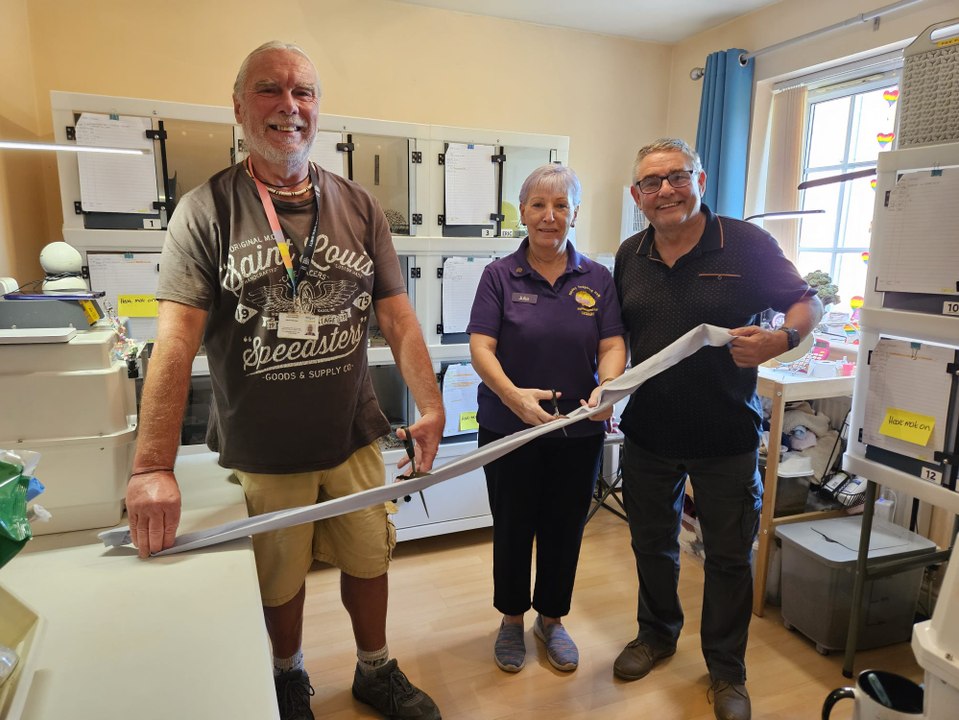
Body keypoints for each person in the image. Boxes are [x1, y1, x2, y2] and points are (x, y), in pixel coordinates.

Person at [124, 41, 444, 720]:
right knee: (278, 578)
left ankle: (375, 668)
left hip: (353, 434)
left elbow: (397, 316)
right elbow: (175, 342)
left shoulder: (358, 205)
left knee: (369, 560)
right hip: (263, 449)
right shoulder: (206, 210)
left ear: (318, 107)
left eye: (304, 92)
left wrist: (431, 405)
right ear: (239, 106)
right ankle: (287, 675)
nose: (289, 106)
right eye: (269, 89)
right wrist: (151, 466)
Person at [612, 138, 822, 720]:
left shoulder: (747, 243)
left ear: (700, 181)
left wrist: (782, 338)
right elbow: (617, 337)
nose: (665, 191)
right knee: (652, 545)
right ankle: (656, 635)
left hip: (726, 435)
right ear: (636, 195)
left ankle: (727, 671)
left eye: (677, 177)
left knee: (728, 558)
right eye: (651, 182)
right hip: (648, 433)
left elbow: (807, 302)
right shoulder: (630, 254)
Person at [468, 164, 626, 674]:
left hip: (577, 428)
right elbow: (481, 347)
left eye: (561, 205)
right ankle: (512, 619)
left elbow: (612, 343)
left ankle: (552, 620)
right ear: (523, 212)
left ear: (575, 213)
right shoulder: (499, 275)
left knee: (564, 527)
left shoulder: (598, 278)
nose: (549, 216)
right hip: (508, 428)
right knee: (513, 525)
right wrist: (513, 397)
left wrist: (608, 386)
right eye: (538, 204)